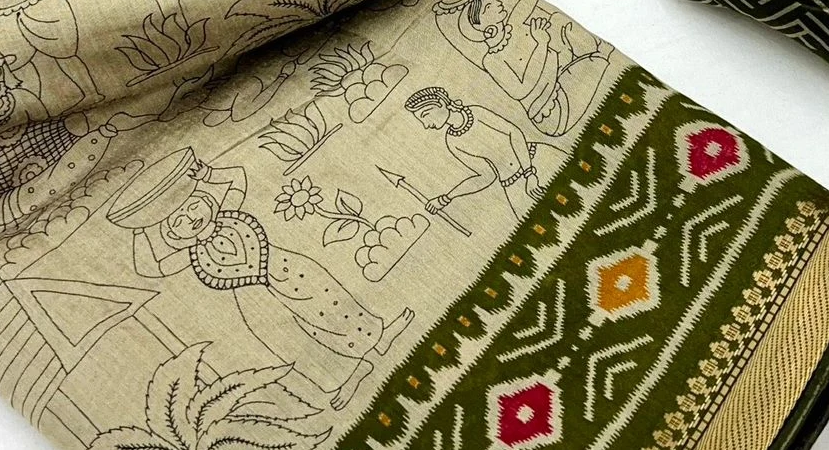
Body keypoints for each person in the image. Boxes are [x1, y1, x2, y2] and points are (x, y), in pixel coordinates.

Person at [108, 147, 412, 410]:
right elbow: (150, 268)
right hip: (253, 299)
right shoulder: (190, 254)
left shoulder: (228, 212)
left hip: (285, 268)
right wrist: (140, 230)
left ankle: (377, 337)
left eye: (193, 205)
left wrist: (208, 174)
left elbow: (237, 178)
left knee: (327, 299)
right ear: (173, 234)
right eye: (179, 221)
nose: (191, 217)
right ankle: (344, 376)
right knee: (290, 343)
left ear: (206, 200)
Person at [403, 85, 541, 216]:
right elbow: (486, 176)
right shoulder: (452, 141)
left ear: (441, 103)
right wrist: (446, 198)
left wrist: (529, 174)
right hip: (512, 185)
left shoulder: (476, 113)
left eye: (425, 115)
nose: (426, 125)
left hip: (532, 160)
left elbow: (513, 133)